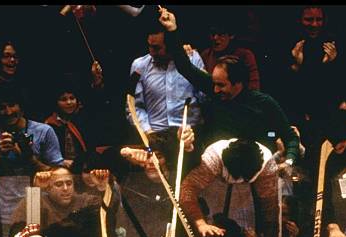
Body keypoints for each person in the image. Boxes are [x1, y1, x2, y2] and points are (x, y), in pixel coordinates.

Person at [158, 7, 300, 169]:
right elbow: (185, 67)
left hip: (255, 168)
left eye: (221, 85)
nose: (215, 90)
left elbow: (291, 138)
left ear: (237, 83)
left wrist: (289, 162)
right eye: (214, 84)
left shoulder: (264, 103)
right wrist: (172, 30)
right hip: (219, 169)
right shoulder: (215, 89)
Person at [0, 84, 64, 237]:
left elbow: (58, 175)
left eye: (12, 105)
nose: (8, 112)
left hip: (36, 209)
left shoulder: (44, 131)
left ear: (21, 107)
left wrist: (29, 158)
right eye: (2, 107)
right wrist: (0, 155)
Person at [127, 28, 204, 167]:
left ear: (172, 45)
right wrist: (147, 131)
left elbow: (205, 98)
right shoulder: (138, 66)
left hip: (189, 137)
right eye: (149, 46)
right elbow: (132, 106)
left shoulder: (192, 58)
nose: (151, 51)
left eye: (156, 48)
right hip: (155, 138)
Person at [180, 138, 279, 237]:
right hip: (213, 186)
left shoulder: (267, 167)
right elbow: (187, 189)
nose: (237, 180)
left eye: (242, 179)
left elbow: (270, 208)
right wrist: (200, 224)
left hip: (246, 198)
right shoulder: (213, 158)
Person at [9, 167, 116, 234]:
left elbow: (109, 213)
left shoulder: (84, 201)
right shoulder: (39, 201)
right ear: (48, 187)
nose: (65, 188)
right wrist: (36, 190)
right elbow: (19, 231)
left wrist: (102, 187)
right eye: (59, 184)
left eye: (69, 183)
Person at [44, 67, 104, 171]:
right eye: (63, 99)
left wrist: (97, 81)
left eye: (72, 98)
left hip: (85, 168)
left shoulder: (83, 119)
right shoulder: (50, 125)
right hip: (60, 170)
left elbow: (95, 102)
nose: (69, 102)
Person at [201, 22, 260, 90]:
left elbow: (254, 86)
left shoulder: (245, 55)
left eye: (221, 34)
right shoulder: (205, 55)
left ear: (231, 35)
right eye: (213, 34)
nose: (215, 38)